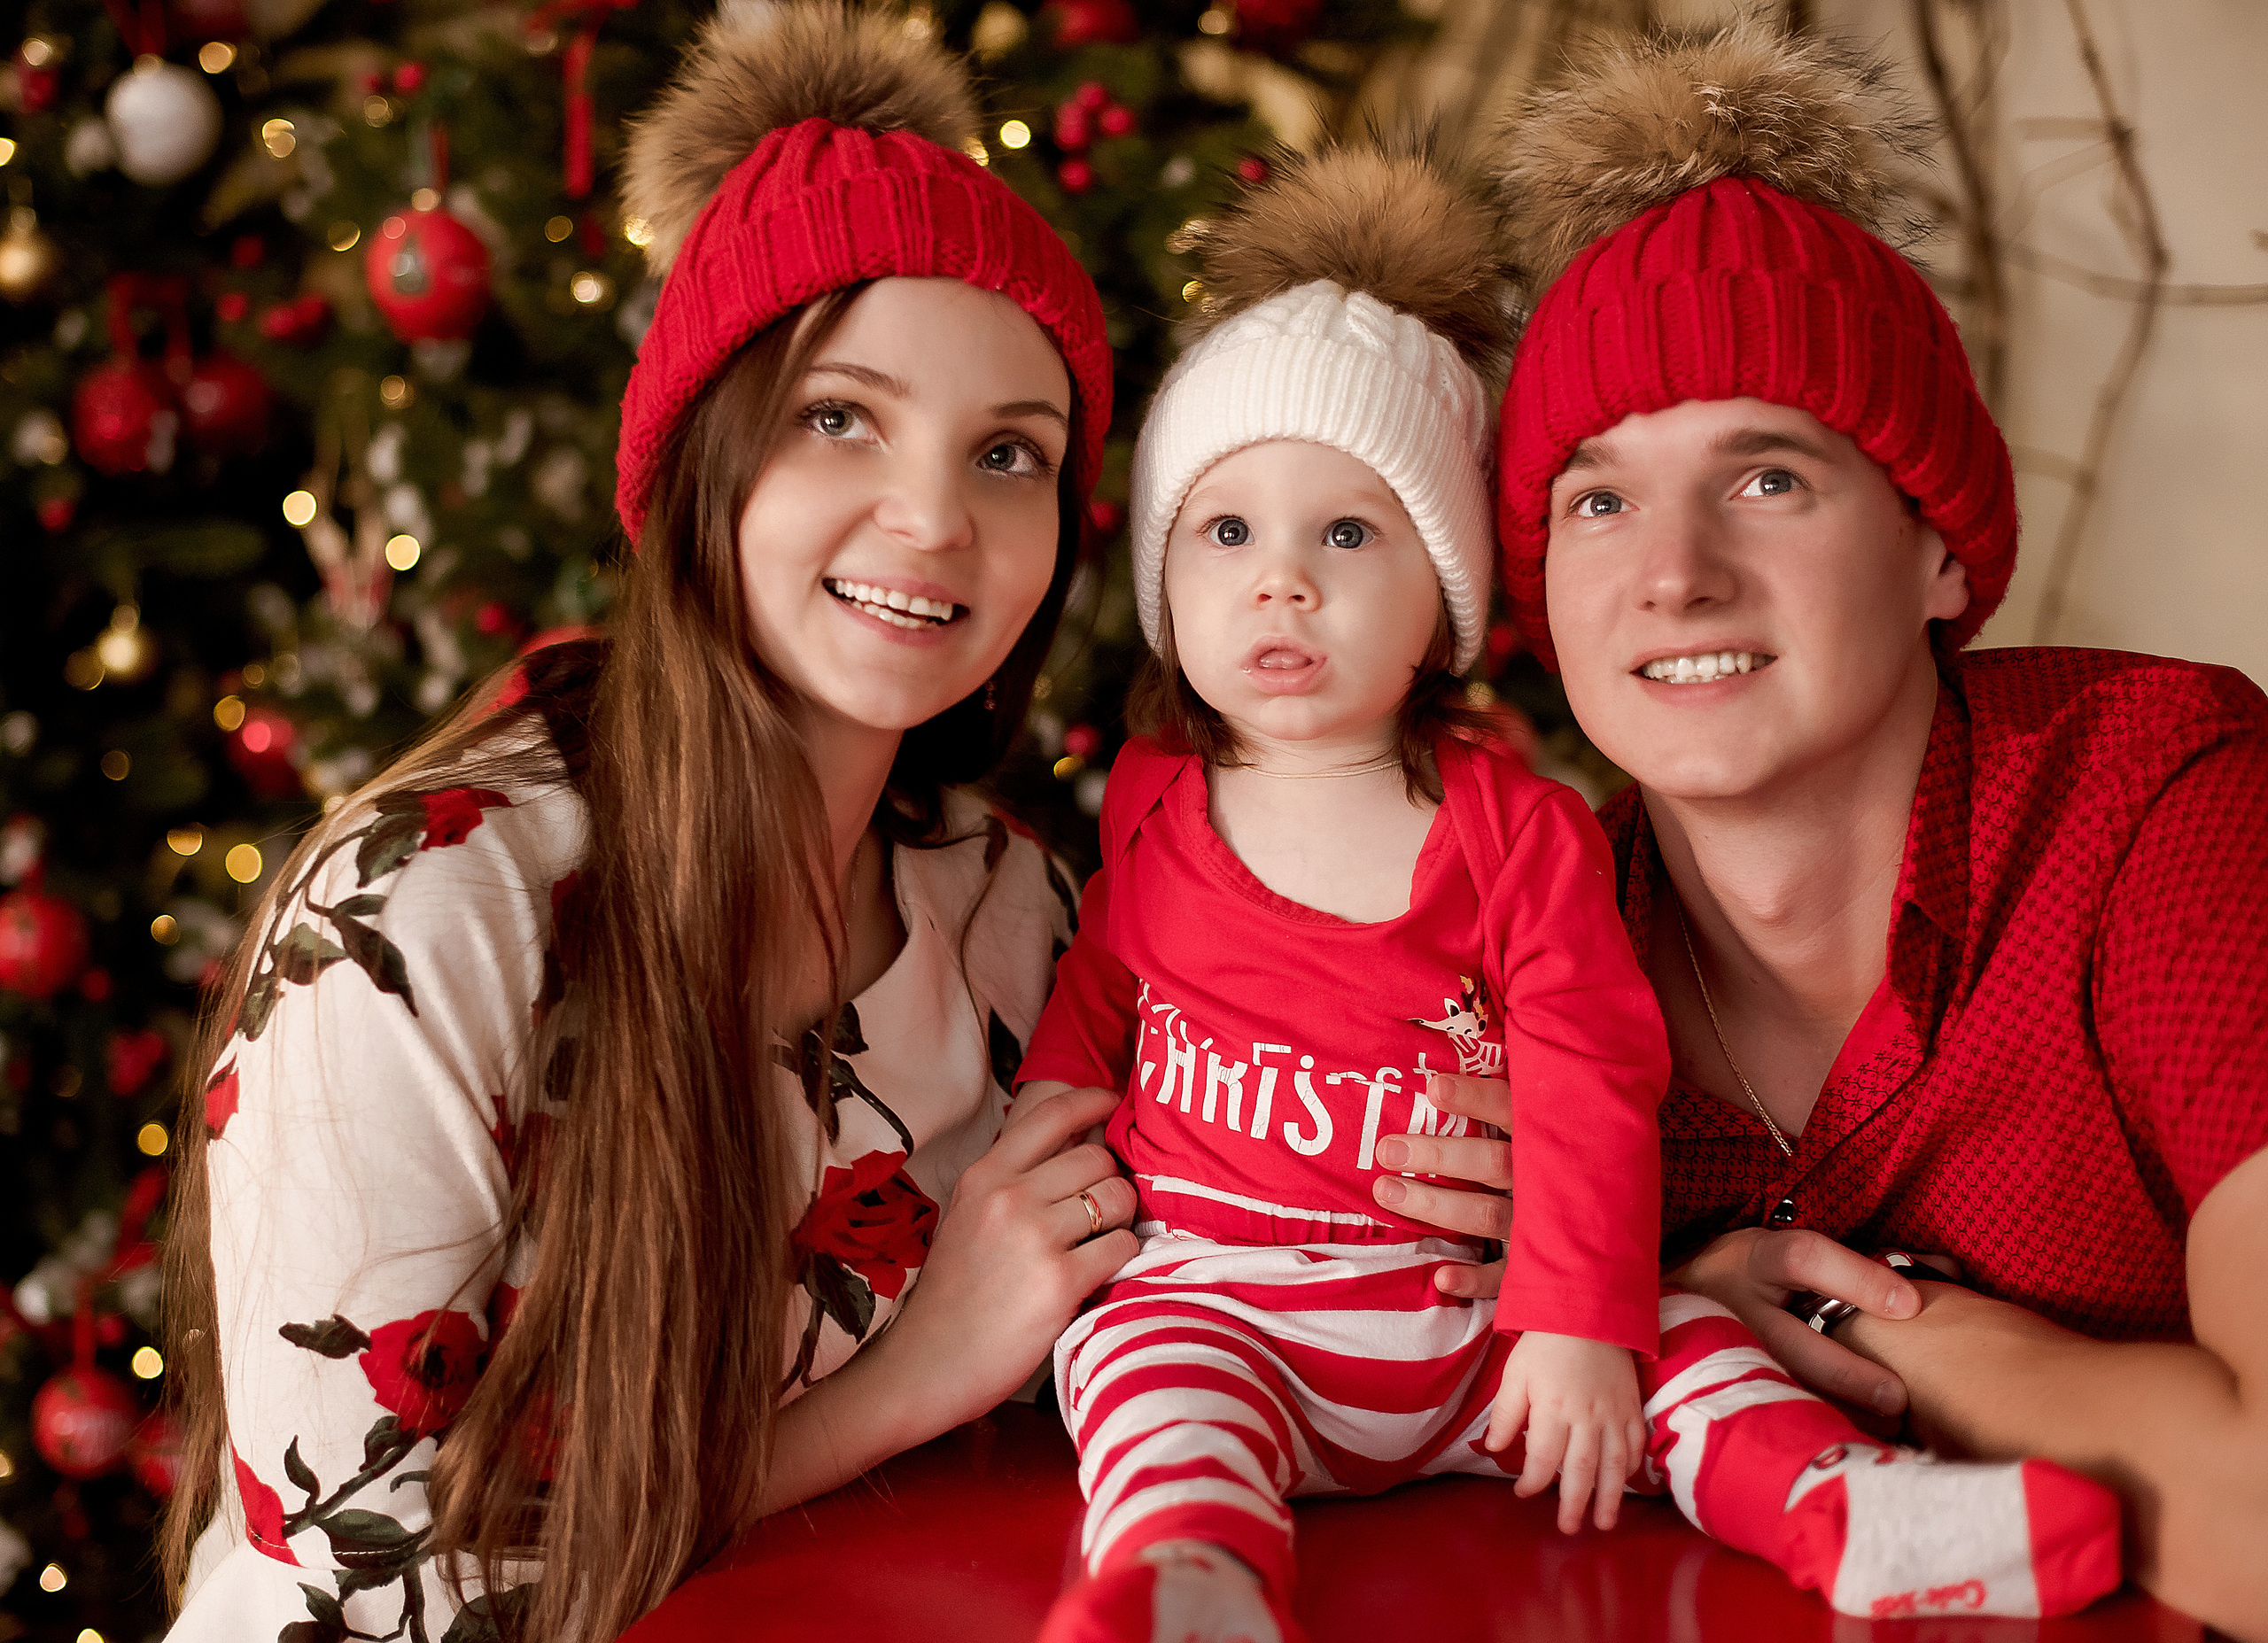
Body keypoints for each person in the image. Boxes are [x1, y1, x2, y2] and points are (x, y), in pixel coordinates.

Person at [1012, 145, 2118, 1643]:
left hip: (1475, 1322)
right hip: (1220, 1302)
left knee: (1695, 1351)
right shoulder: (1149, 797)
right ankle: (1185, 1578)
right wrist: (1051, 1118)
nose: (1281, 583)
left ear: (1448, 597)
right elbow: (1103, 991)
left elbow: (1591, 1070)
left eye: (1347, 536)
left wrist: (1581, 1319)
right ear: (1168, 586)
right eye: (1225, 535)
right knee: (1147, 1391)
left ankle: (1858, 1514)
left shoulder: (1512, 826)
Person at [158, 10, 1137, 1640]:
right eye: (843, 417)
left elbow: (1232, 1266)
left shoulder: (1018, 910)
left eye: (1011, 456)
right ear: (700, 453)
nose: (937, 518)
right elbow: (367, 1546)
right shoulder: (423, 903)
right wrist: (917, 1375)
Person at [1377, 21, 2268, 1640]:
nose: (1674, 574)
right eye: (1598, 497)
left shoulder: (2163, 803)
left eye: (1768, 478)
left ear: (1940, 552)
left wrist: (1894, 1346)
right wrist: (1649, 1307)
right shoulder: (1497, 948)